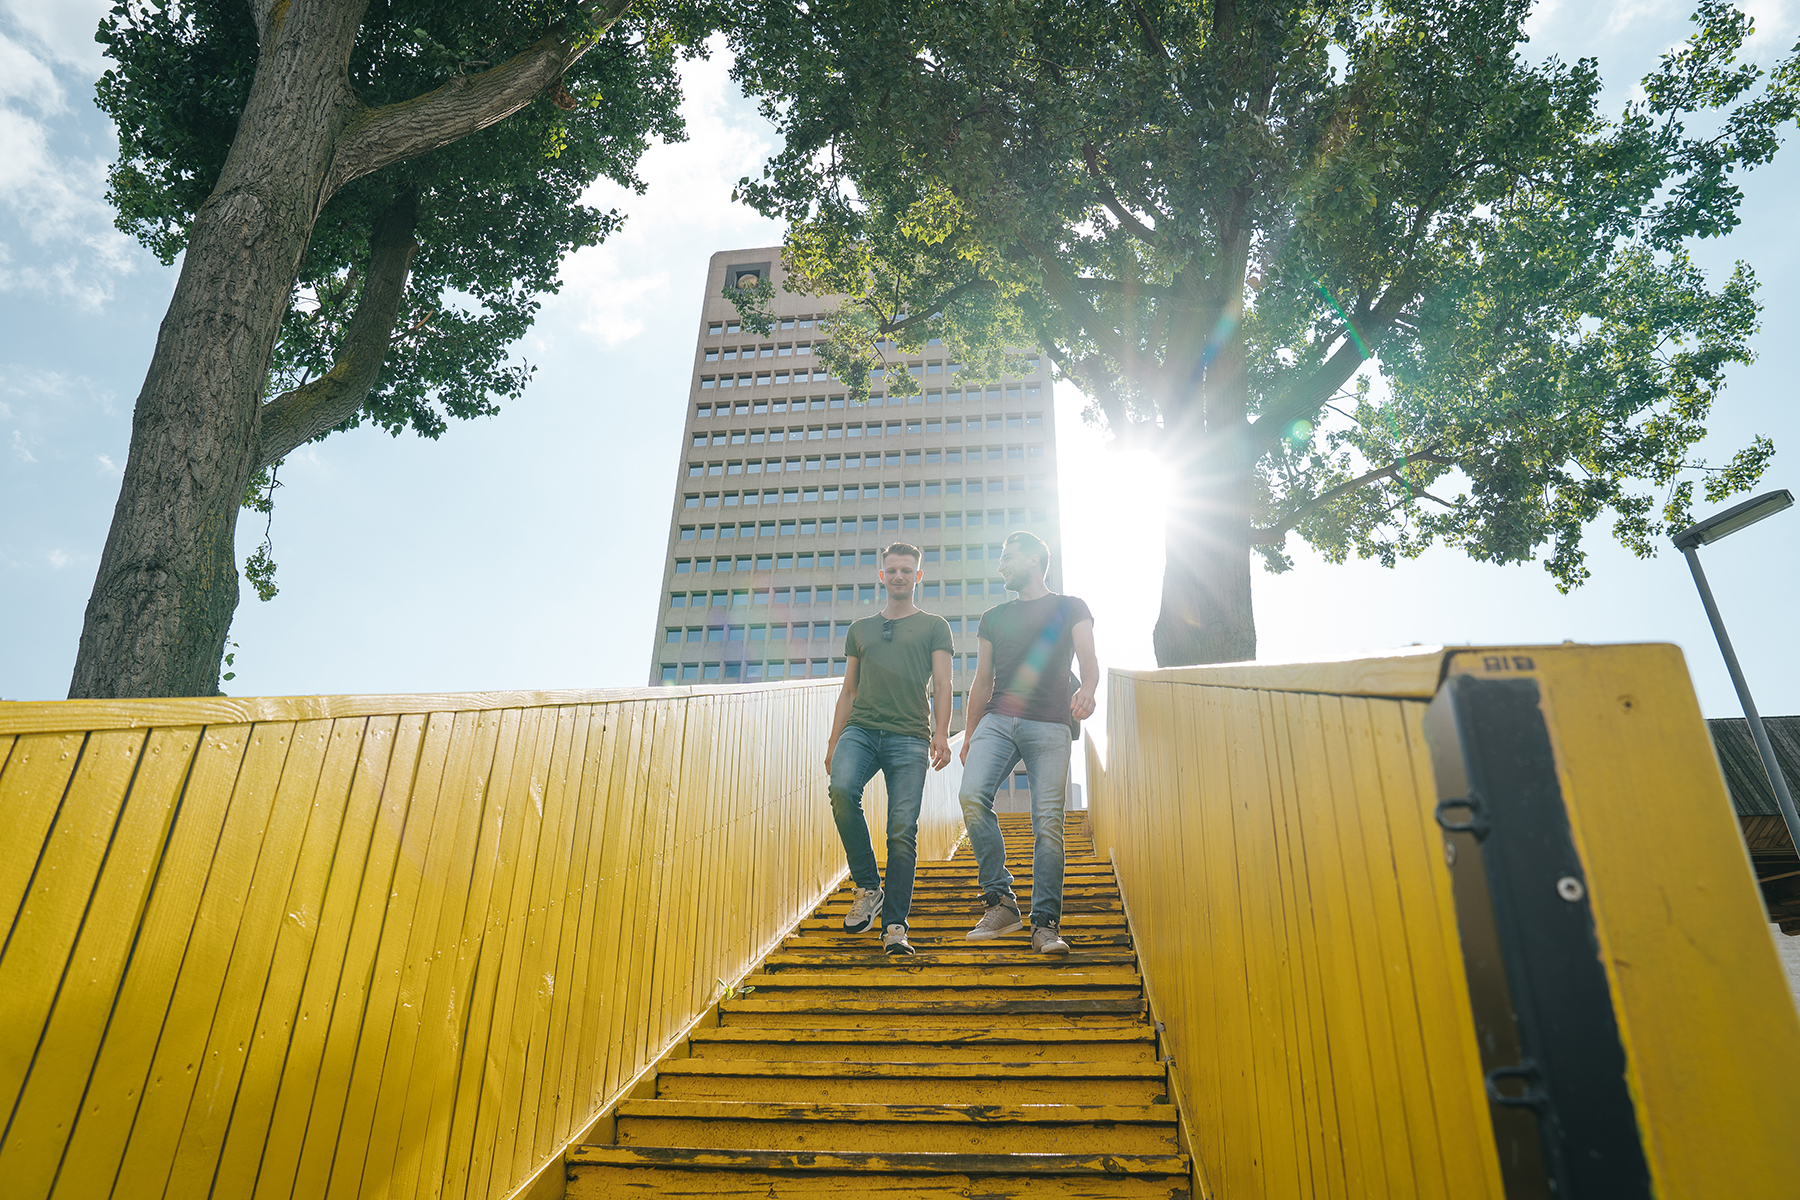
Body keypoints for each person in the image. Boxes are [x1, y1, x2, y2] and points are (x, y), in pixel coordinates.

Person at [959, 530, 1098, 955]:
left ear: (1035, 560)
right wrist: (969, 733)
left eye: (1008, 556)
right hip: (998, 718)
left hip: (1050, 724)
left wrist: (1089, 688)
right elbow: (982, 681)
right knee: (971, 795)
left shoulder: (1070, 606)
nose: (1001, 564)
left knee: (1048, 823)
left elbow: (1088, 659)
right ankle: (1001, 901)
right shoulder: (993, 617)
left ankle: (1045, 924)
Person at [825, 542, 954, 956]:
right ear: (882, 576)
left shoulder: (935, 625)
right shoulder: (860, 628)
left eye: (906, 570)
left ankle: (895, 926)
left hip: (910, 736)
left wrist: (941, 733)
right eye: (892, 570)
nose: (899, 576)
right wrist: (833, 742)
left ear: (918, 577)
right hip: (861, 729)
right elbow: (848, 690)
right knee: (842, 790)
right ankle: (868, 886)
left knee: (901, 830)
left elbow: (944, 684)